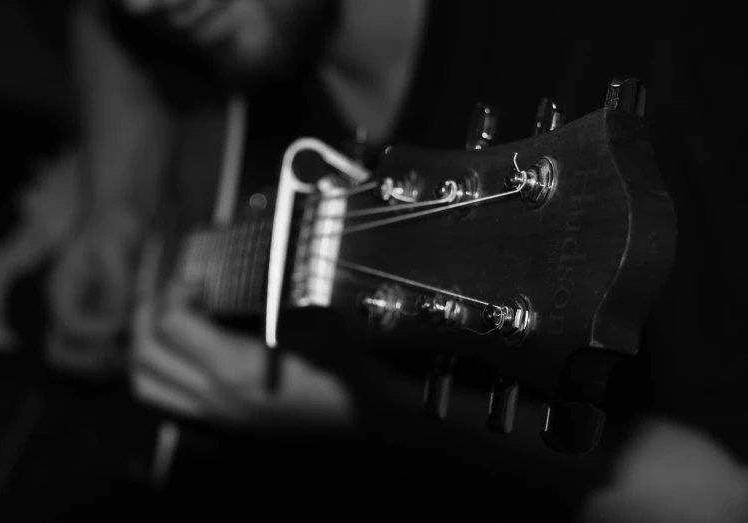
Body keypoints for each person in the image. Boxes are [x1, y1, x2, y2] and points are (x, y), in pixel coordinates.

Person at [51, 0, 748, 520]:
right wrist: (112, 207)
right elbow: (101, 24)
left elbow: (720, 492)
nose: (144, 3)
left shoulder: (659, 68)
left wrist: (360, 414)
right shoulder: (214, 23)